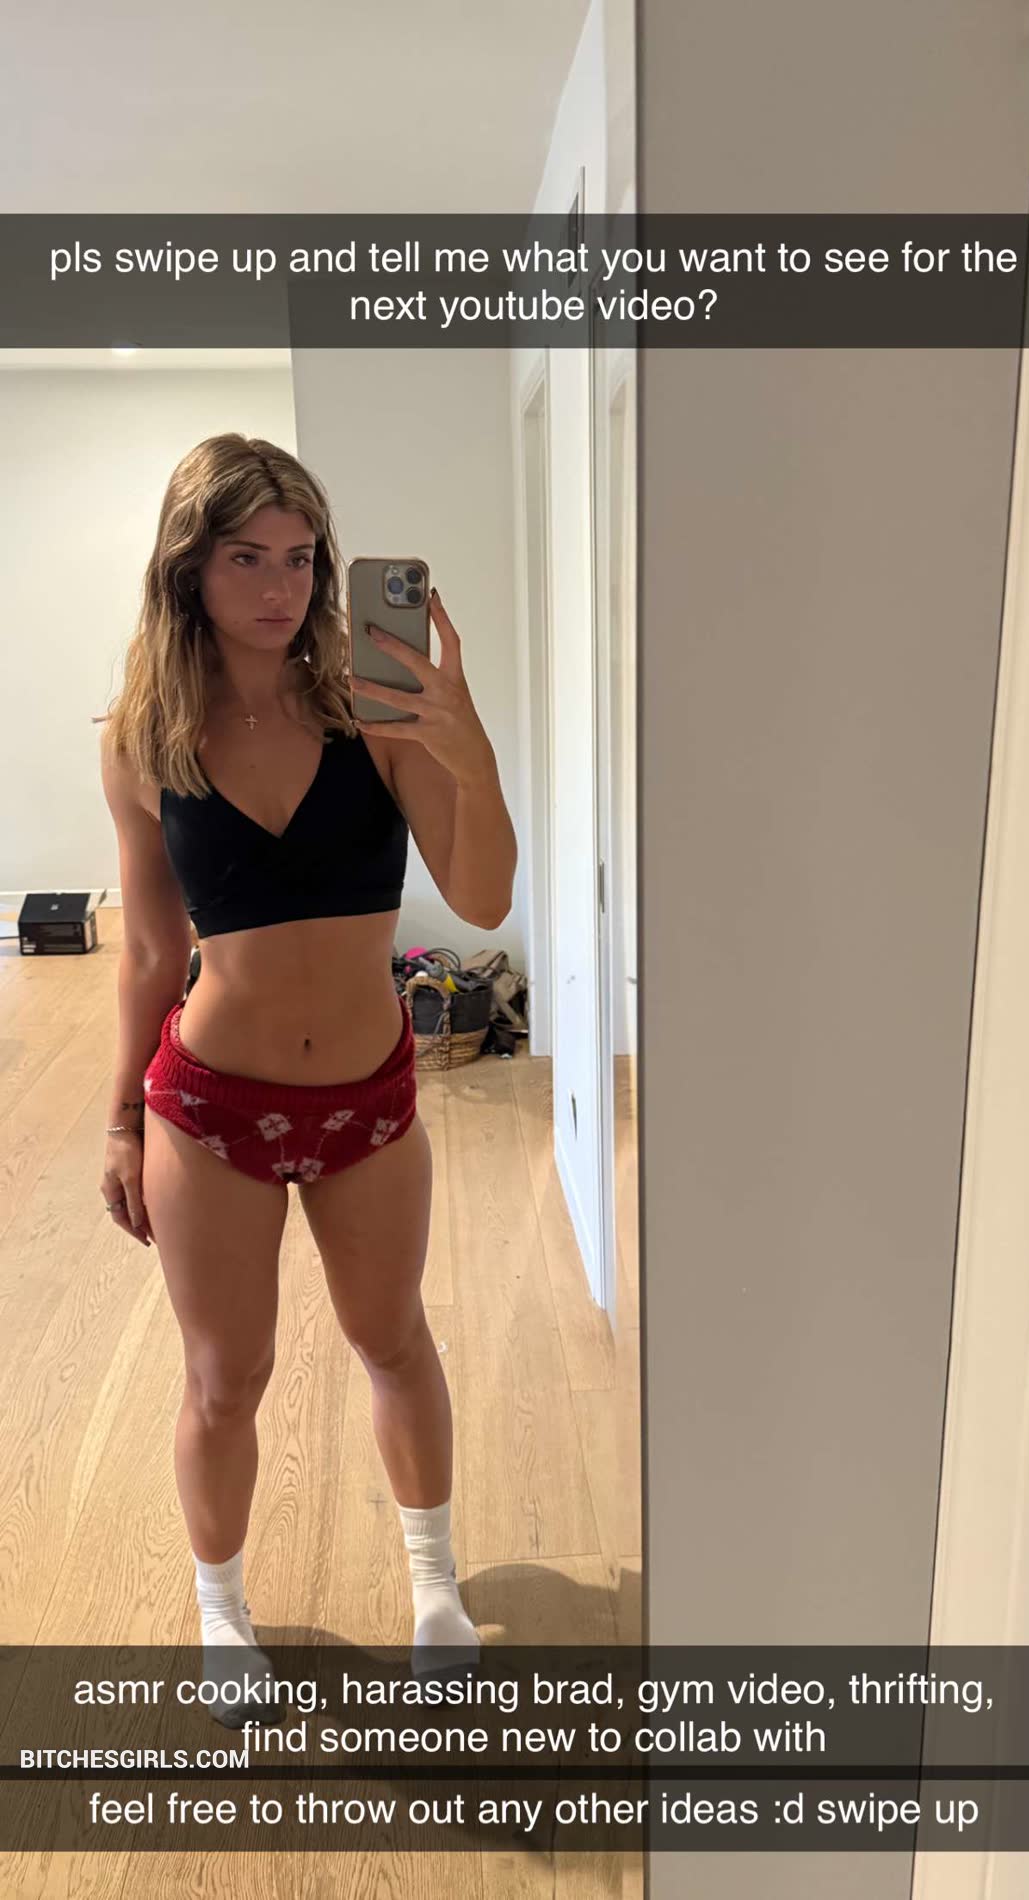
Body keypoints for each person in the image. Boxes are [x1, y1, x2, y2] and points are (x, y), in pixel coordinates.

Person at [99, 433, 516, 1707]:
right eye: (246, 557)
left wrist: (466, 745)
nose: (281, 587)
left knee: (391, 1337)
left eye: (299, 557)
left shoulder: (370, 714)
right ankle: (221, 1611)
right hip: (208, 1106)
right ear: (188, 566)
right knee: (226, 1377)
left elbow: (484, 897)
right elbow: (150, 951)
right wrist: (119, 1121)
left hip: (367, 1099)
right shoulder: (144, 739)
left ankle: (434, 1585)